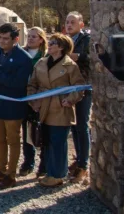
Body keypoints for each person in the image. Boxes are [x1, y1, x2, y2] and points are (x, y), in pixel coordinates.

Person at [28, 33, 85, 187]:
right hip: (43, 107)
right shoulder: (41, 62)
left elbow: (79, 87)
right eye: (50, 42)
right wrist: (33, 100)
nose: (50, 44)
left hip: (60, 108)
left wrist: (70, 100)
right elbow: (32, 83)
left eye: (53, 43)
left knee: (58, 142)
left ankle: (57, 175)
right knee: (46, 141)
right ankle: (49, 171)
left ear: (61, 47)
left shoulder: (70, 66)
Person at [0, 23, 33, 189]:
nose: (2, 41)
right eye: (0, 37)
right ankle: (1, 170)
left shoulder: (24, 58)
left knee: (13, 140)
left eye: (6, 39)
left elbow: (18, 84)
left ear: (15, 39)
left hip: (12, 105)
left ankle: (11, 174)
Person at [65, 11, 91, 183]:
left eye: (72, 22)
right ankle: (78, 159)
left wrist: (79, 56)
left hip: (83, 88)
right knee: (73, 125)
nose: (69, 25)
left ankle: (84, 165)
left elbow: (93, 58)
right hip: (69, 87)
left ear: (81, 24)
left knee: (82, 124)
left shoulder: (86, 40)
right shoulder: (65, 41)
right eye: (67, 22)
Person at [19, 27, 48, 177]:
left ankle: (44, 164)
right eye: (29, 36)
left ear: (41, 39)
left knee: (43, 131)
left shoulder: (47, 56)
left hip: (42, 98)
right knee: (27, 131)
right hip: (25, 97)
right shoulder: (21, 53)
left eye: (34, 37)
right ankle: (28, 162)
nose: (30, 39)